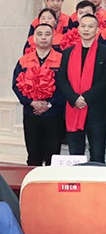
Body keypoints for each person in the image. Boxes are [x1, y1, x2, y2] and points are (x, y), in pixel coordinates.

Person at [55, 14, 106, 163]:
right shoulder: (68, 53)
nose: (86, 29)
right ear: (78, 29)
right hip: (73, 108)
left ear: (97, 30)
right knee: (75, 157)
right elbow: (61, 79)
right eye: (83, 26)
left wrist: (86, 98)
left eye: (90, 26)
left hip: (97, 111)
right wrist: (74, 98)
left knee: (97, 156)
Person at [12, 22, 65, 166]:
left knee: (53, 155)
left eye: (47, 34)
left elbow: (65, 86)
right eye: (39, 34)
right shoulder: (24, 60)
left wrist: (49, 104)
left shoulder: (62, 59)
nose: (43, 38)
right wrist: (31, 103)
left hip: (54, 114)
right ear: (33, 38)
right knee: (33, 155)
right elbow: (16, 86)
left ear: (53, 37)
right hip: (31, 114)